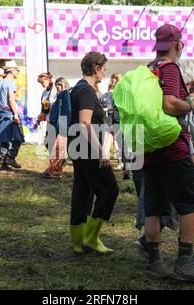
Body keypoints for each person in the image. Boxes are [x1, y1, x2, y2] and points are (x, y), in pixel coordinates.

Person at [141, 24, 194, 283]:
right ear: (178, 44)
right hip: (172, 147)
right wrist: (191, 103)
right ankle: (185, 262)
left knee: (153, 206)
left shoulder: (149, 69)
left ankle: (155, 263)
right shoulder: (169, 68)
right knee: (191, 201)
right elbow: (170, 103)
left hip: (148, 148)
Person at [68, 52, 119, 255]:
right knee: (110, 190)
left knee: (83, 193)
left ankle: (78, 242)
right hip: (88, 149)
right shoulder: (87, 91)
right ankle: (91, 237)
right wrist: (102, 152)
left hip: (78, 148)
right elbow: (85, 123)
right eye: (104, 68)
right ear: (96, 67)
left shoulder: (76, 89)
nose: (104, 73)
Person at [0, 61, 24, 170]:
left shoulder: (0, 83)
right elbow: (11, 99)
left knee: (4, 138)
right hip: (9, 112)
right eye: (16, 70)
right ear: (12, 71)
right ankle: (10, 157)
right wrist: (15, 114)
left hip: (1, 112)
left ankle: (3, 162)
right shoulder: (10, 83)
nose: (17, 72)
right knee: (19, 138)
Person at [41, 77, 70, 179]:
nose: (57, 86)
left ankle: (55, 171)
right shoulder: (58, 95)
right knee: (50, 144)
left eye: (59, 85)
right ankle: (54, 168)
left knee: (58, 148)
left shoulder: (66, 95)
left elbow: (66, 111)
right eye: (56, 84)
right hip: (54, 124)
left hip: (62, 124)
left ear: (63, 85)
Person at [100, 73, 122, 170]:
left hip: (118, 119)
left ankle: (119, 161)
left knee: (116, 140)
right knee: (111, 138)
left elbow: (117, 107)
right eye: (112, 79)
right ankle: (105, 159)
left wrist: (107, 110)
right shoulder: (115, 92)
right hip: (113, 119)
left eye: (114, 80)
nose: (112, 82)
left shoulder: (120, 91)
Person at [37, 72, 57, 148]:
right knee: (47, 141)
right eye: (40, 83)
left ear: (48, 79)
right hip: (48, 119)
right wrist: (39, 119)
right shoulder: (44, 92)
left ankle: (59, 158)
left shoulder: (56, 89)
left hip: (55, 118)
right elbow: (42, 107)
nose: (41, 84)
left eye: (42, 82)